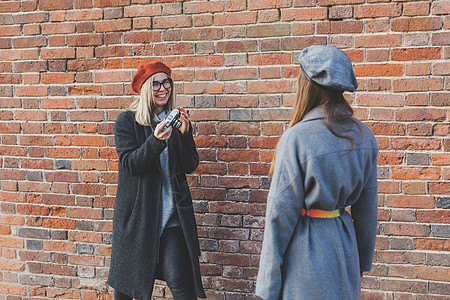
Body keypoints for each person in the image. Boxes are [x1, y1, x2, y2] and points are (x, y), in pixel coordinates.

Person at [255, 45, 379, 300]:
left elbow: (280, 216)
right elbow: (367, 211)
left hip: (306, 253)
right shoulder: (365, 136)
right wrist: (361, 262)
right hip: (345, 248)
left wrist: (268, 287)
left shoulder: (296, 139)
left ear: (307, 85)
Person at [107, 61, 206, 300]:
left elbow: (190, 165)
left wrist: (184, 135)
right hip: (138, 219)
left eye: (167, 82)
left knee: (181, 282)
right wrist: (156, 140)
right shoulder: (127, 122)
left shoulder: (173, 121)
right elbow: (130, 164)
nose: (163, 88)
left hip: (172, 216)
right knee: (126, 289)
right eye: (156, 84)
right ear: (145, 89)